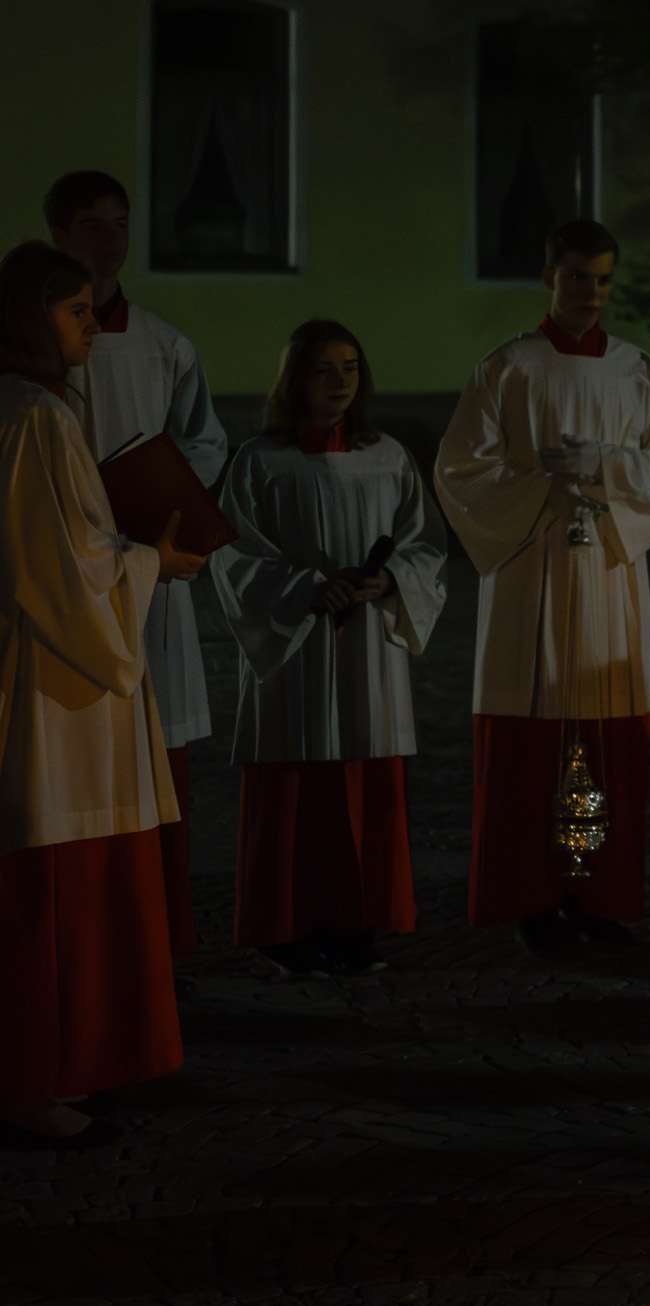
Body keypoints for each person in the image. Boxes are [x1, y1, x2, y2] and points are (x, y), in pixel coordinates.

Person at [435, 220, 650, 958]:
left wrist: (608, 468)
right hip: (532, 569)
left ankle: (599, 892)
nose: (593, 293)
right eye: (579, 277)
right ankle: (532, 896)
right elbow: (460, 469)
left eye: (605, 280)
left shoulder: (638, 371)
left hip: (610, 568)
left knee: (607, 731)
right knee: (532, 732)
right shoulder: (509, 368)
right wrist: (540, 487)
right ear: (551, 276)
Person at [0, 241, 203, 1146]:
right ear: (29, 317)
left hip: (28, 669)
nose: (92, 324)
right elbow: (61, 570)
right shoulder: (35, 417)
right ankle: (36, 1079)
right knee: (49, 884)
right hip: (56, 688)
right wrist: (148, 563)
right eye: (75, 311)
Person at [211, 321, 447, 977]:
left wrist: (391, 579)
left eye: (350, 367)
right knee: (297, 783)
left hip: (369, 644)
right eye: (324, 369)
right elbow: (235, 557)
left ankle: (354, 922)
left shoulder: (387, 456)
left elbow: (424, 542)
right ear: (294, 380)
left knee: (362, 783)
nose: (340, 381)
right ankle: (284, 927)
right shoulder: (261, 461)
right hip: (296, 650)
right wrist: (307, 589)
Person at [48, 170, 227, 965]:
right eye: (93, 225)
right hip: (71, 577)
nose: (111, 239)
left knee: (163, 769)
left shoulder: (164, 343)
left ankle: (164, 950)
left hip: (150, 574)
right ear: (60, 234)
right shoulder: (36, 345)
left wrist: (160, 498)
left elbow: (206, 439)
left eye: (120, 224)